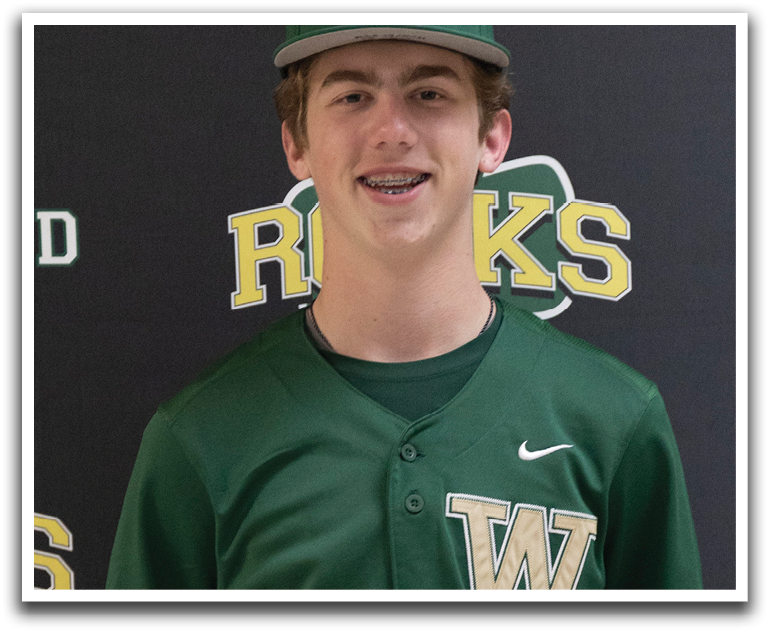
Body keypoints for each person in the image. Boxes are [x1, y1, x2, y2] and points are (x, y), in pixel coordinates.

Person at [106, 25, 702, 590]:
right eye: (353, 96)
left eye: (428, 93)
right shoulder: (199, 439)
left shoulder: (613, 418)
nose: (391, 129)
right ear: (296, 143)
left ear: (491, 137)